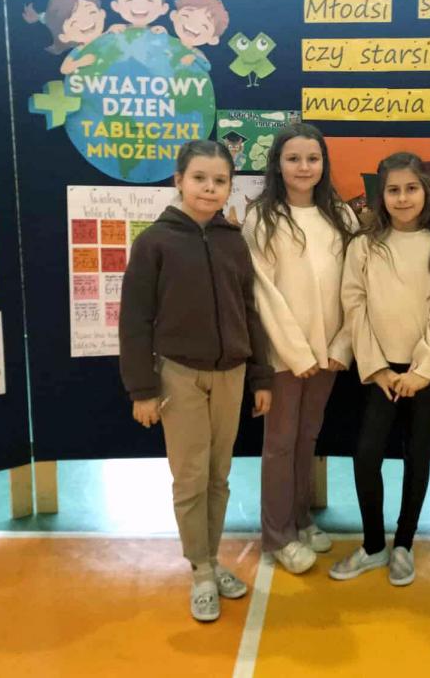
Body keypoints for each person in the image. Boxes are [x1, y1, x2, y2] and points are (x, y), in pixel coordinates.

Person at [119, 140, 272, 622]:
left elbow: (249, 311)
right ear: (178, 181)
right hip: (179, 377)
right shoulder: (154, 242)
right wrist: (142, 389)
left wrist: (261, 376)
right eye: (199, 178)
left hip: (232, 375)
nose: (209, 188)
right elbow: (134, 320)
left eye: (220, 180)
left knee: (218, 477)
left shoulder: (233, 241)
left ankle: (212, 558)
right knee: (190, 477)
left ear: (229, 187)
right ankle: (201, 570)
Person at [330, 153, 430, 586]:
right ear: (380, 196)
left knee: (417, 455)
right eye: (393, 190)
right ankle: (373, 545)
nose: (403, 198)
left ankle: (404, 543)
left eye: (411, 188)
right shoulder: (364, 246)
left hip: (426, 372)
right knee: (367, 455)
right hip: (380, 371)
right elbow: (354, 305)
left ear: (426, 192)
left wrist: (423, 369)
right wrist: (379, 368)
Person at [241, 123, 358, 574]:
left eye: (312, 158)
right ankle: (277, 535)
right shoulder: (263, 218)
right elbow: (263, 292)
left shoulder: (341, 217)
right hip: (285, 356)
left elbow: (354, 287)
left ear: (324, 163)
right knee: (279, 443)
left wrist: (341, 345)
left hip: (328, 353)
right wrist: (296, 354)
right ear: (278, 164)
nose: (304, 167)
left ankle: (300, 518)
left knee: (308, 437)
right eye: (293, 159)